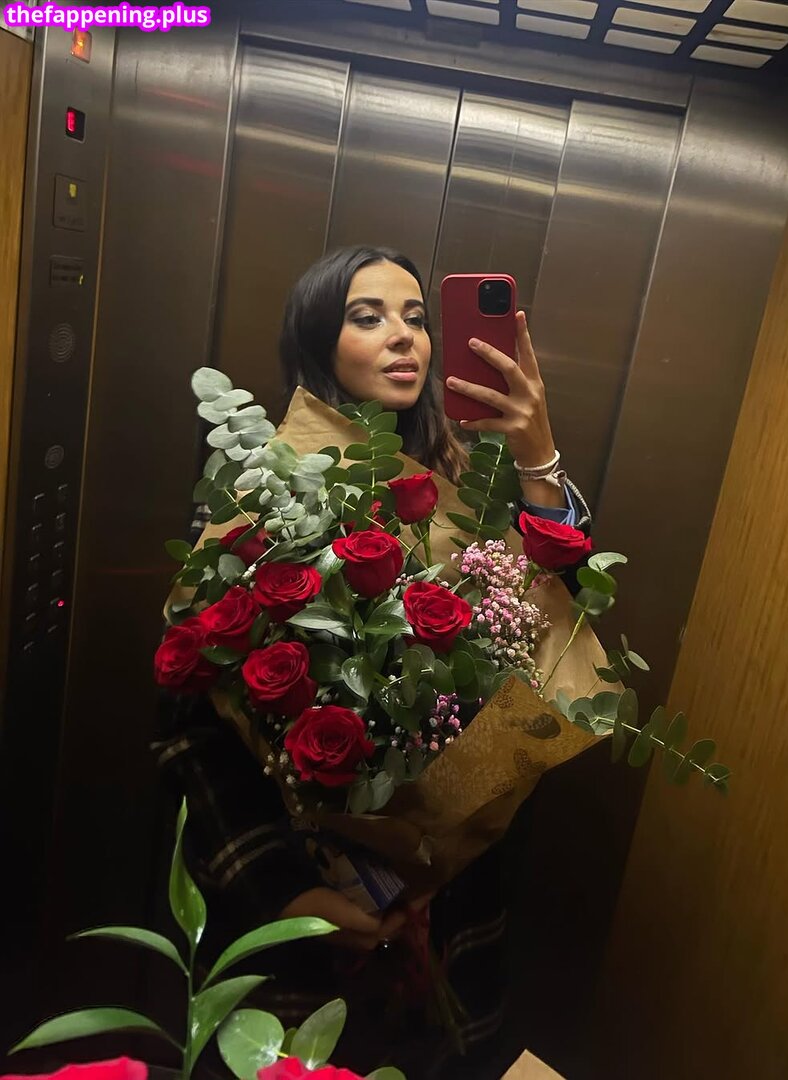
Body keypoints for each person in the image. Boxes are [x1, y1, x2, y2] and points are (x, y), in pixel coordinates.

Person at [153, 246, 591, 1078]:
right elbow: (190, 729)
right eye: (369, 316)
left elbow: (562, 620)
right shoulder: (263, 497)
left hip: (453, 914)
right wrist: (286, 890)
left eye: (417, 318)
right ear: (319, 341)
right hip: (303, 914)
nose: (404, 337)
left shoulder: (469, 483)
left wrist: (537, 455)